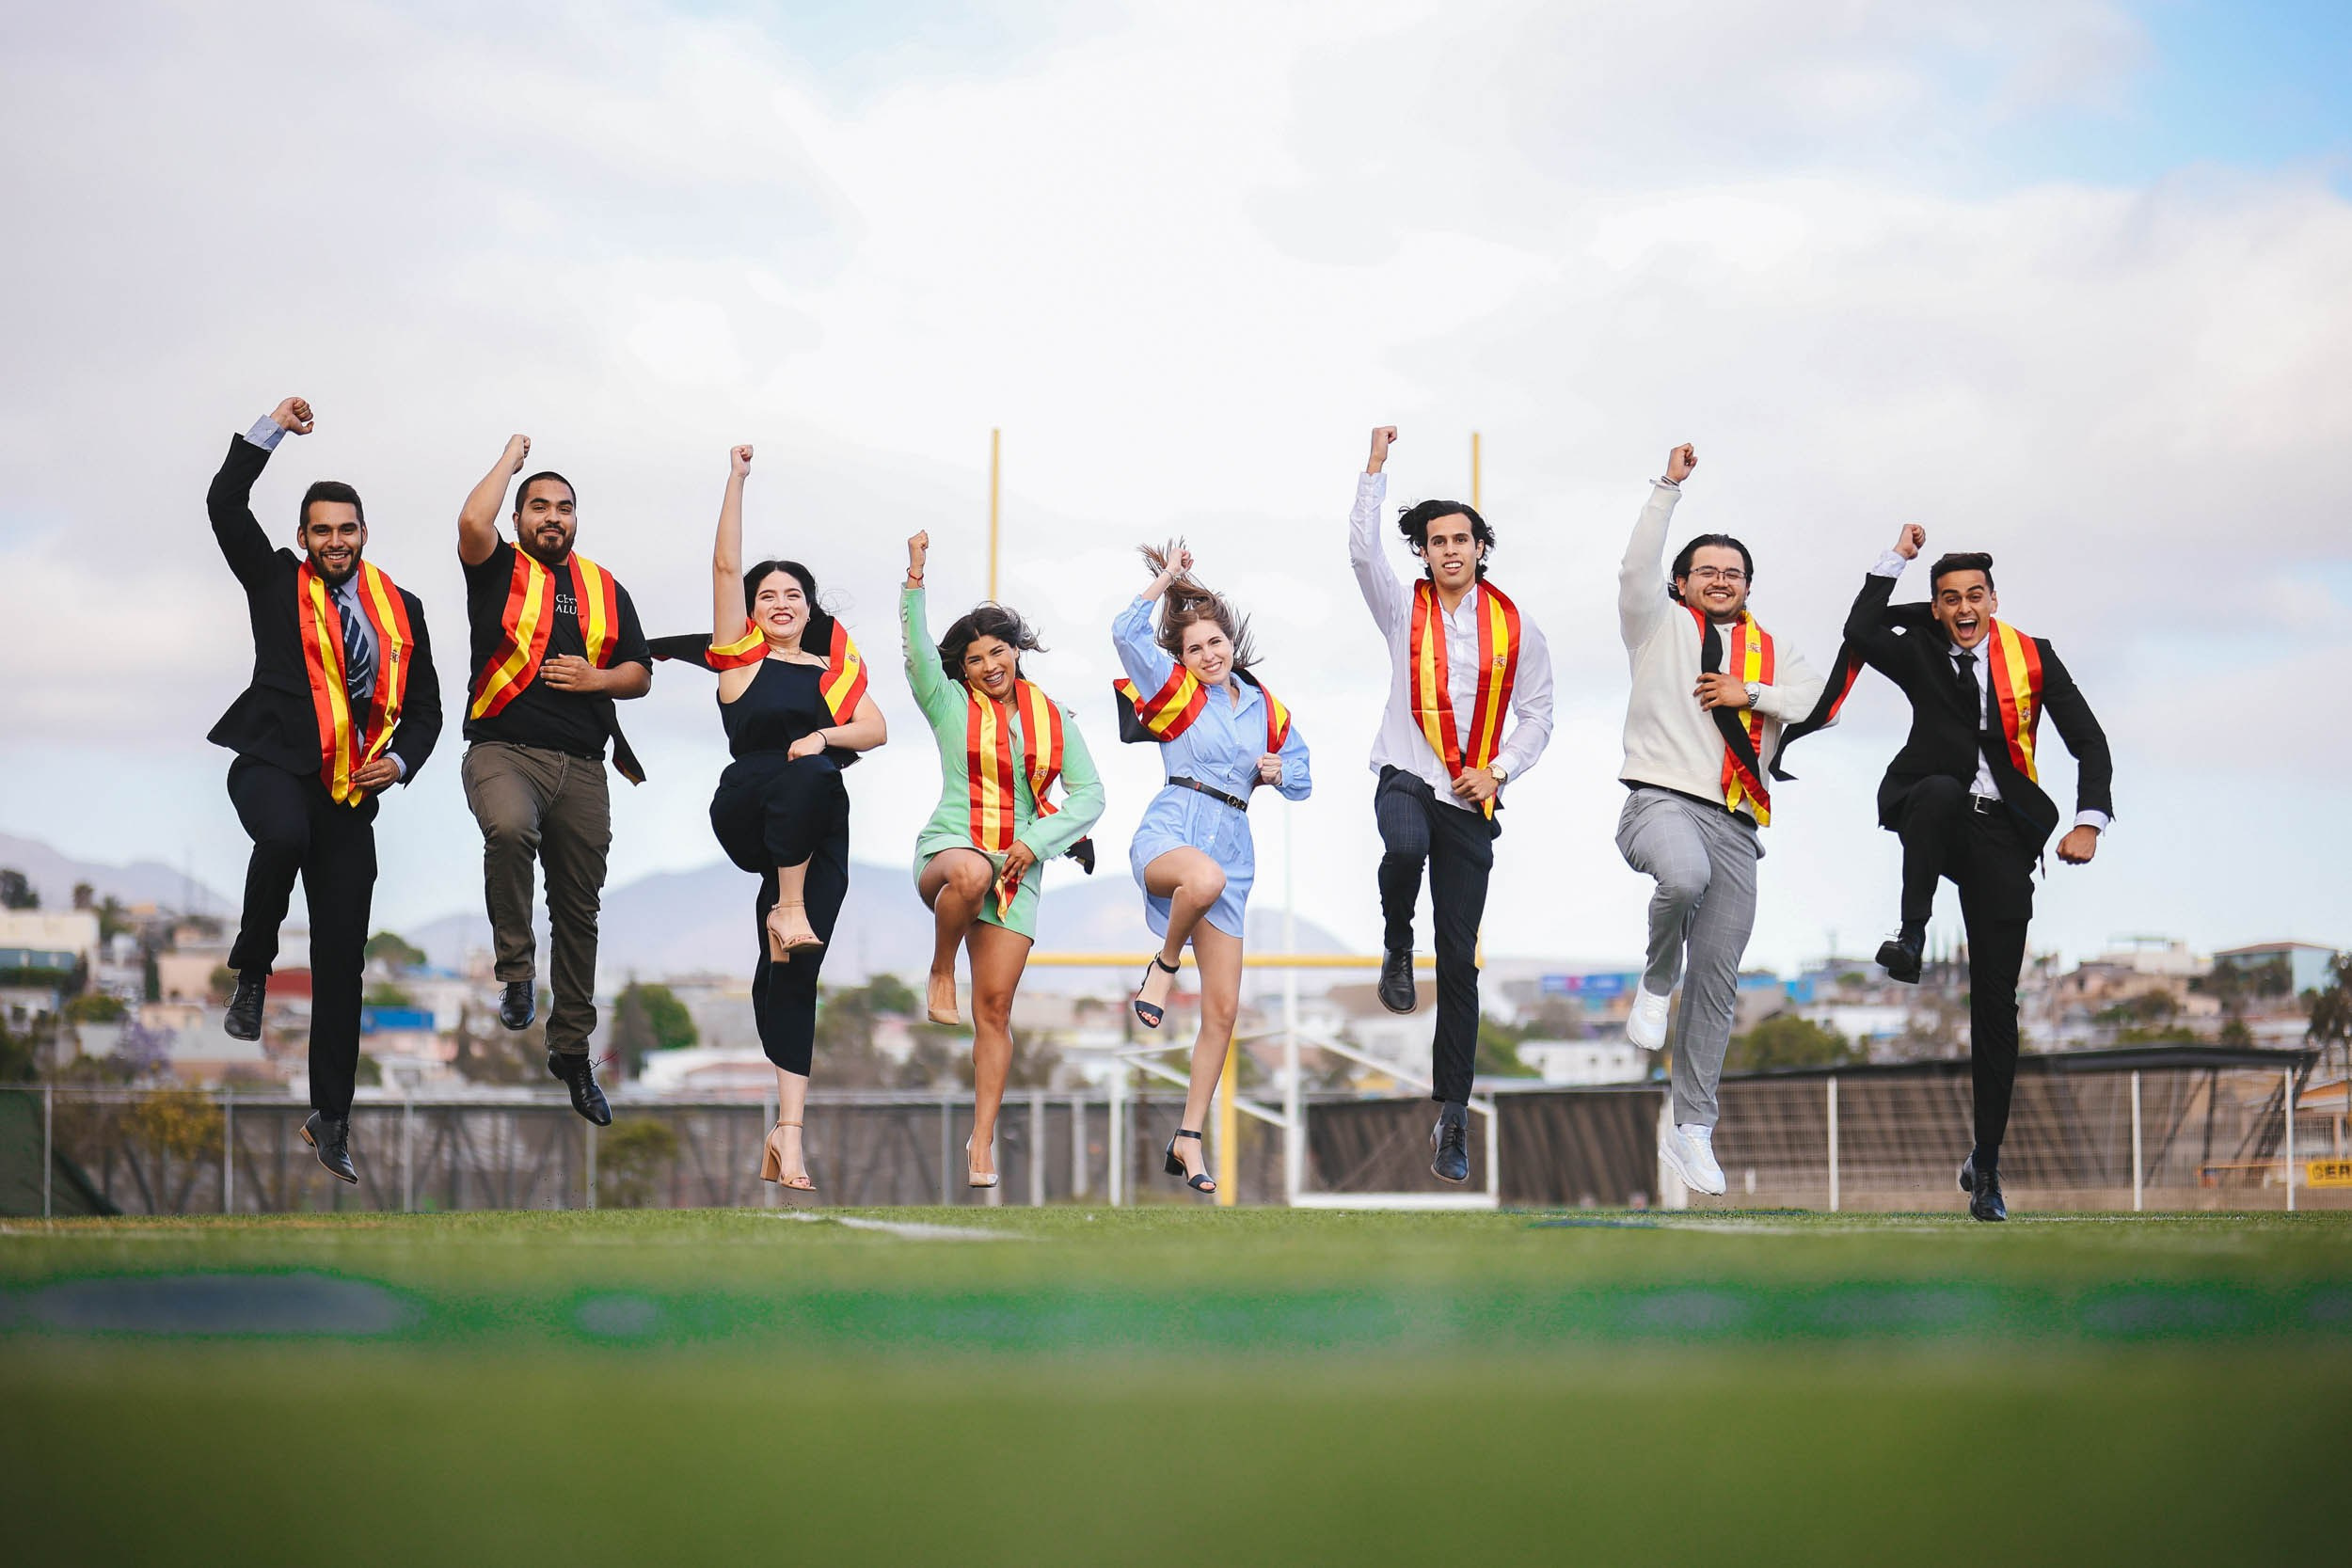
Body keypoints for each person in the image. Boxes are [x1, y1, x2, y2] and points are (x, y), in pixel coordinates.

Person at [1827, 525, 2112, 1221]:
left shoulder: (2032, 657)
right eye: (1950, 598)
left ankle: (1986, 1163)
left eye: (1975, 595)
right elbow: (1860, 628)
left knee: (1996, 1005)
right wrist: (1898, 561)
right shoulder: (1922, 651)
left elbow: (2089, 742)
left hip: (2003, 832)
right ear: (1937, 607)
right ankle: (1912, 936)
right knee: (1938, 791)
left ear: (1993, 599)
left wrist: (2089, 821)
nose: (1964, 608)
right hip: (1933, 813)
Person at [205, 396, 442, 1183]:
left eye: (346, 529)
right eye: (320, 530)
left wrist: (399, 763)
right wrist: (269, 427)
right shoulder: (274, 580)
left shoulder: (402, 609)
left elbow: (427, 711)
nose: (334, 540)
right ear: (303, 537)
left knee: (344, 962)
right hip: (271, 765)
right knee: (282, 836)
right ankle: (253, 972)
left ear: (364, 534)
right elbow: (224, 502)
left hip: (349, 797)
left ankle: (331, 1119)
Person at [648, 446, 888, 1191]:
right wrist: (736, 478)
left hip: (819, 829)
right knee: (809, 771)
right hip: (751, 804)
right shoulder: (740, 659)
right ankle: (785, 906)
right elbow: (725, 565)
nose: (780, 601)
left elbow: (876, 728)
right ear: (752, 609)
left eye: (794, 594)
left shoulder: (832, 672)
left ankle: (788, 1133)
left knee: (792, 972)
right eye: (767, 594)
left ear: (809, 608)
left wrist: (823, 734)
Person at [1614, 441, 1828, 1198]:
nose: (1720, 580)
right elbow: (1634, 569)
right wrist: (1667, 489)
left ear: (1747, 586)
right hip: (1658, 801)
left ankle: (1693, 1128)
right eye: (1706, 570)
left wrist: (1751, 693)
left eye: (1733, 573)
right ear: (1682, 582)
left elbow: (1820, 697)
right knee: (1682, 875)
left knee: (1717, 980)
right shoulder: (1657, 624)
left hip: (1737, 823)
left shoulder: (1770, 652)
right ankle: (1653, 978)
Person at [1348, 425, 1554, 1183]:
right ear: (1425, 552)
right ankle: (1395, 940)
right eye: (1436, 541)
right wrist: (1374, 468)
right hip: (1405, 776)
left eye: (1460, 539)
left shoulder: (1517, 626)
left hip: (1471, 801)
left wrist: (1499, 771)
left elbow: (1539, 713)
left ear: (1479, 546)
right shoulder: (1402, 608)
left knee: (1461, 962)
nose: (1449, 550)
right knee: (1403, 847)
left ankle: (1453, 1117)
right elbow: (1363, 553)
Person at [455, 435, 654, 1127]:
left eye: (563, 508)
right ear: (518, 518)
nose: (552, 517)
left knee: (579, 911)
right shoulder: (497, 566)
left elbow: (640, 674)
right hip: (503, 751)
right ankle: (516, 973)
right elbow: (470, 521)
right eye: (538, 506)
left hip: (584, 767)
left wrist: (597, 679)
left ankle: (571, 1051)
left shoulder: (604, 587)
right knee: (510, 829)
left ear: (575, 519)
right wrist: (510, 459)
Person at [901, 531, 1104, 1188]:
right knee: (971, 871)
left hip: (1020, 869)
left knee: (994, 1010)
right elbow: (916, 655)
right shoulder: (946, 702)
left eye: (998, 651)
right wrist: (915, 579)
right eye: (975, 658)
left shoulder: (1054, 717)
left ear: (1015, 651)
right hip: (951, 851)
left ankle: (981, 1141)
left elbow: (1090, 794)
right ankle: (940, 971)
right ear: (960, 669)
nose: (989, 665)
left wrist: (1036, 842)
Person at [1112, 543, 1312, 1195]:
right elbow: (1124, 631)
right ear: (1182, 656)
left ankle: (1189, 1137)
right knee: (1202, 880)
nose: (1207, 655)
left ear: (1231, 642)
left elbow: (1303, 773)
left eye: (1215, 642)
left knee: (1223, 1011)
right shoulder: (1172, 691)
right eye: (1194, 648)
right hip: (1173, 829)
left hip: (1234, 846)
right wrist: (1167, 579)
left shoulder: (1263, 705)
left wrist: (1281, 772)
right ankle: (1165, 965)